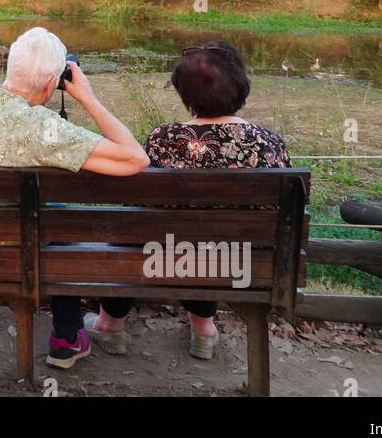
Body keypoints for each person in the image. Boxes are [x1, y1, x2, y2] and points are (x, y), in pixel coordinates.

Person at [0, 27, 149, 372]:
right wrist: (88, 98)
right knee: (53, 221)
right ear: (52, 84)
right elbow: (136, 159)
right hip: (11, 238)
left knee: (9, 218)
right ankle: (66, 337)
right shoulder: (46, 129)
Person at [83, 41, 291, 360]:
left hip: (160, 257)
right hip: (242, 263)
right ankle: (204, 329)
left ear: (184, 93)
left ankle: (109, 324)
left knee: (143, 229)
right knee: (208, 235)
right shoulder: (269, 144)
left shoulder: (162, 140)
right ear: (240, 85)